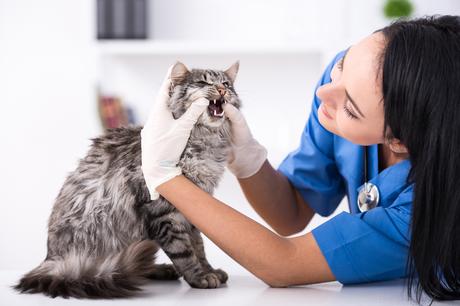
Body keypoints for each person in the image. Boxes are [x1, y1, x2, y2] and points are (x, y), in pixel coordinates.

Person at [140, 15, 460, 304]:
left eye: (349, 107)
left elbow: (283, 263)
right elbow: (290, 212)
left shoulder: (430, 202)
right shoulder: (353, 83)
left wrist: (165, 176)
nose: (325, 93)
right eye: (341, 67)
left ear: (398, 140)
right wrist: (246, 157)